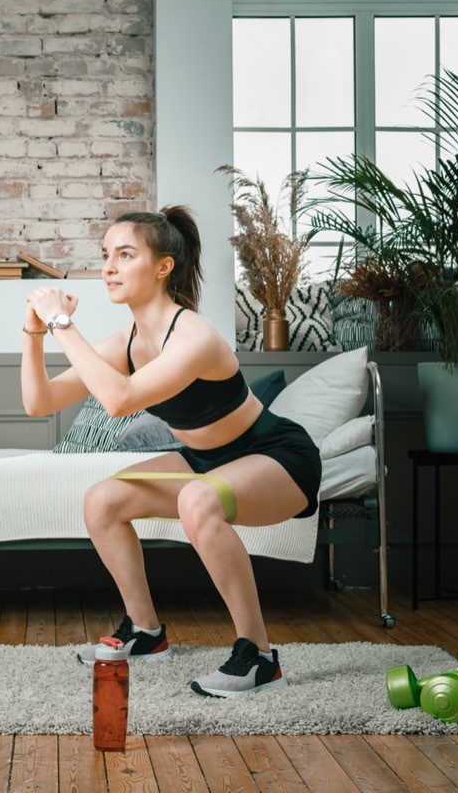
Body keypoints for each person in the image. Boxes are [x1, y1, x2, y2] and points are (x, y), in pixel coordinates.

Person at [20, 205, 321, 698]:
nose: (109, 268)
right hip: (203, 460)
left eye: (125, 254)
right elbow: (39, 402)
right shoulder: (129, 339)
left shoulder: (195, 335)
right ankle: (145, 631)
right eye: (105, 256)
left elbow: (118, 400)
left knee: (197, 500)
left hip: (276, 456)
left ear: (163, 267)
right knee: (103, 500)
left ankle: (259, 657)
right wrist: (34, 331)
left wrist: (60, 322)